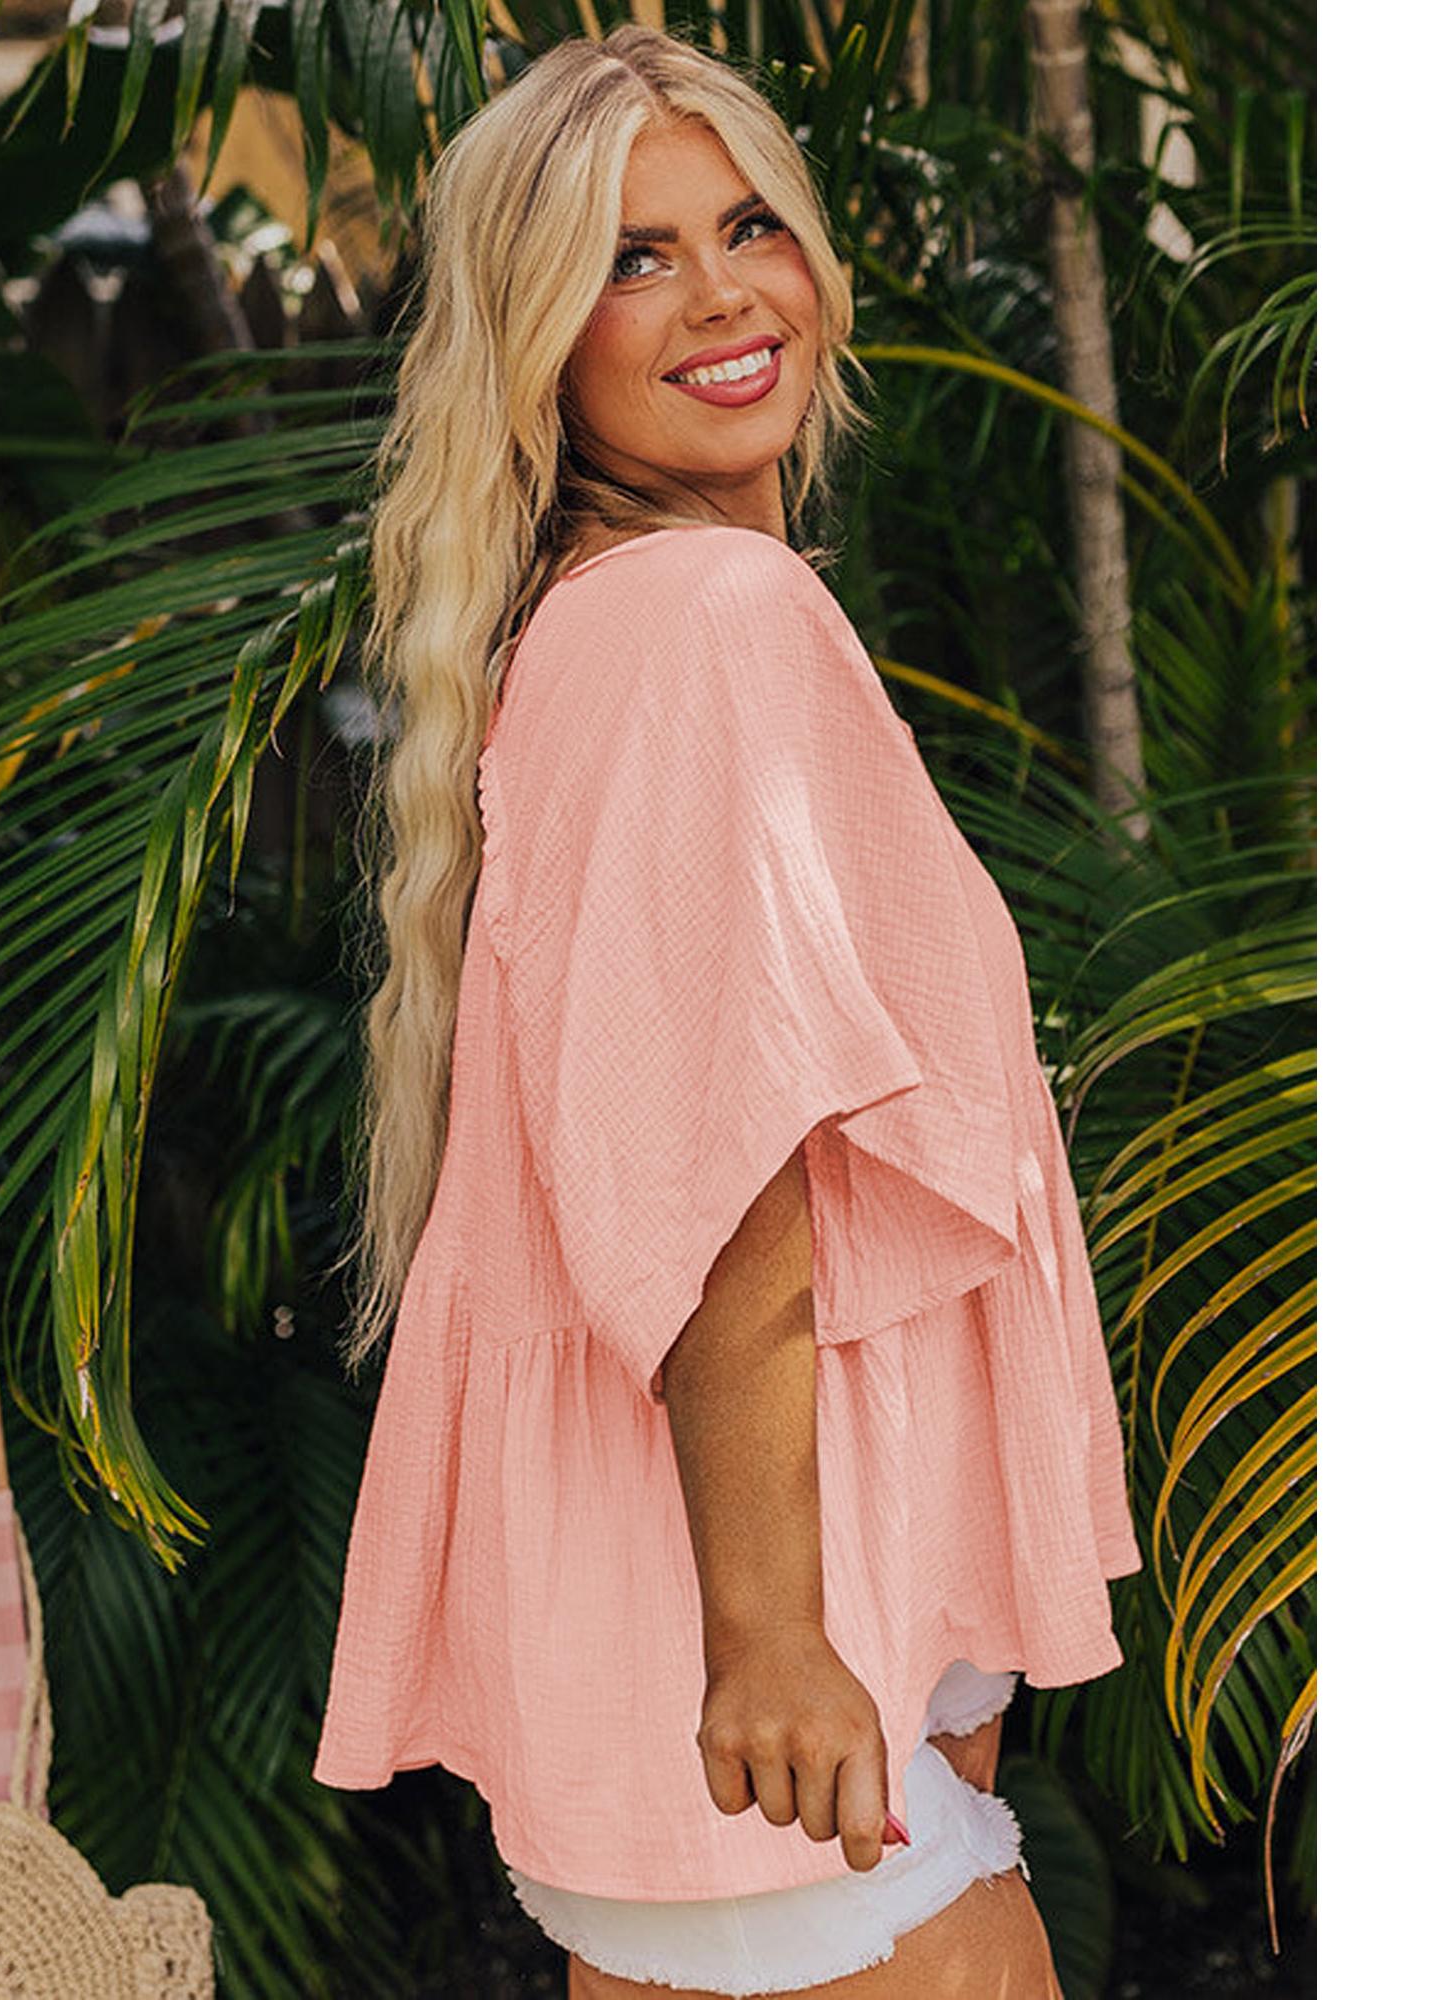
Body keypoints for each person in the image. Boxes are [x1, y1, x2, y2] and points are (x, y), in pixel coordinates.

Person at [311, 24, 1142, 1997]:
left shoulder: (598, 622)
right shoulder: (708, 618)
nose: (719, 293)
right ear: (537, 336)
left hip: (709, 1679)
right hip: (774, 1687)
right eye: (632, 256)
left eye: (747, 225)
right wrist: (769, 1630)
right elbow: (724, 1164)